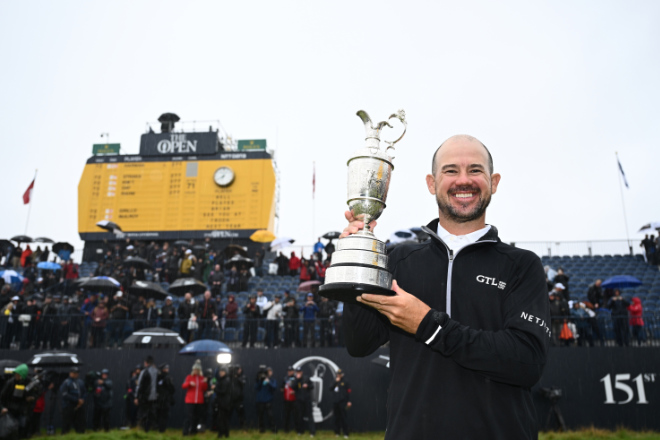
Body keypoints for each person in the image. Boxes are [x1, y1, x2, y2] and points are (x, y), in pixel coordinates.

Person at [342, 134, 550, 438]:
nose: (463, 180)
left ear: (494, 182)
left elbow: (526, 362)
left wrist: (430, 325)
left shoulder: (522, 265)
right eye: (451, 171)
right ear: (431, 182)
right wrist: (358, 261)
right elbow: (359, 343)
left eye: (475, 170)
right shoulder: (399, 259)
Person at [0, 364, 35, 440]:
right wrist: (2, 408)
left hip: (21, 410)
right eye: (16, 374)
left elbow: (34, 392)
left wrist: (31, 398)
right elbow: (2, 397)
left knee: (21, 428)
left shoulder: (29, 382)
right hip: (10, 410)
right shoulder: (10, 383)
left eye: (18, 375)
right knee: (10, 429)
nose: (16, 376)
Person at [181, 360, 208, 435]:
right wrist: (189, 383)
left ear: (199, 370)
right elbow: (183, 386)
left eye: (197, 370)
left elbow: (204, 388)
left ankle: (193, 430)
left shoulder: (202, 378)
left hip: (199, 401)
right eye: (194, 370)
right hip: (190, 400)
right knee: (189, 417)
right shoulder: (189, 377)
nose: (196, 371)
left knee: (196, 417)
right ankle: (185, 431)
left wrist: (205, 382)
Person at [135, 355, 158, 432]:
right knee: (151, 413)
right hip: (154, 397)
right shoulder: (156, 371)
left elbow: (139, 385)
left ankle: (142, 429)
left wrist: (136, 396)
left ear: (146, 363)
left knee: (142, 413)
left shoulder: (144, 372)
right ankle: (149, 428)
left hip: (145, 396)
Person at [59, 367, 86, 434]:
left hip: (79, 406)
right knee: (66, 424)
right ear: (70, 373)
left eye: (76, 373)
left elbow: (85, 392)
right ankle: (65, 436)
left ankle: (80, 435)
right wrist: (77, 400)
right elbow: (64, 395)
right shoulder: (66, 382)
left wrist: (82, 400)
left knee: (80, 422)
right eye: (74, 373)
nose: (75, 374)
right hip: (68, 406)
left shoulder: (80, 382)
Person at [329, 369, 351, 438]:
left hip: (343, 402)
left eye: (340, 374)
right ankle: (337, 432)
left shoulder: (345, 381)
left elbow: (349, 392)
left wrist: (349, 401)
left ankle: (346, 433)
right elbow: (330, 388)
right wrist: (336, 382)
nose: (338, 375)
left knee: (344, 418)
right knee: (336, 418)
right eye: (337, 374)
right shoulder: (335, 381)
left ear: (342, 374)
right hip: (336, 402)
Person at [293, 368, 315, 437]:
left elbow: (312, 386)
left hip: (307, 400)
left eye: (299, 372)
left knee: (310, 416)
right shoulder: (295, 379)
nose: (298, 373)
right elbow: (293, 387)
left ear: (302, 372)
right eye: (297, 372)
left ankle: (312, 432)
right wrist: (297, 380)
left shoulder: (306, 378)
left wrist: (307, 386)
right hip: (299, 401)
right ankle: (300, 431)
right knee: (300, 416)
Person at [254, 367, 277, 433]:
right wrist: (260, 381)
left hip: (268, 401)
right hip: (260, 401)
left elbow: (274, 387)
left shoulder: (273, 380)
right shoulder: (260, 380)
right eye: (267, 371)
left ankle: (273, 429)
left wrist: (268, 382)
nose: (269, 373)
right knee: (260, 416)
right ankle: (261, 429)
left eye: (270, 371)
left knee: (270, 416)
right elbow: (256, 387)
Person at [156, 364, 176, 433]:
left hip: (158, 399)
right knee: (163, 415)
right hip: (163, 400)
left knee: (159, 414)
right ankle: (161, 429)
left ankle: (158, 428)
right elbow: (172, 389)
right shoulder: (167, 378)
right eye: (166, 368)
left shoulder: (157, 377)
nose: (167, 369)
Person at [213, 367, 231, 438]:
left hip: (223, 403)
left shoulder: (225, 380)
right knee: (224, 419)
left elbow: (223, 391)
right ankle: (226, 434)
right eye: (220, 371)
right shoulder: (223, 380)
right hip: (223, 402)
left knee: (221, 419)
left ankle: (221, 434)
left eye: (222, 371)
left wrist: (215, 389)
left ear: (225, 372)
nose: (221, 373)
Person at [281, 366, 297, 433]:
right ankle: (286, 430)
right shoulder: (285, 378)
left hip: (294, 400)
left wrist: (295, 391)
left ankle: (298, 430)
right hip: (287, 400)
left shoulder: (296, 379)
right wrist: (282, 389)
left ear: (293, 371)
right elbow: (282, 387)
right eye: (288, 371)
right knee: (287, 415)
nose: (289, 372)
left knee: (296, 415)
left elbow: (299, 387)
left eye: (290, 371)